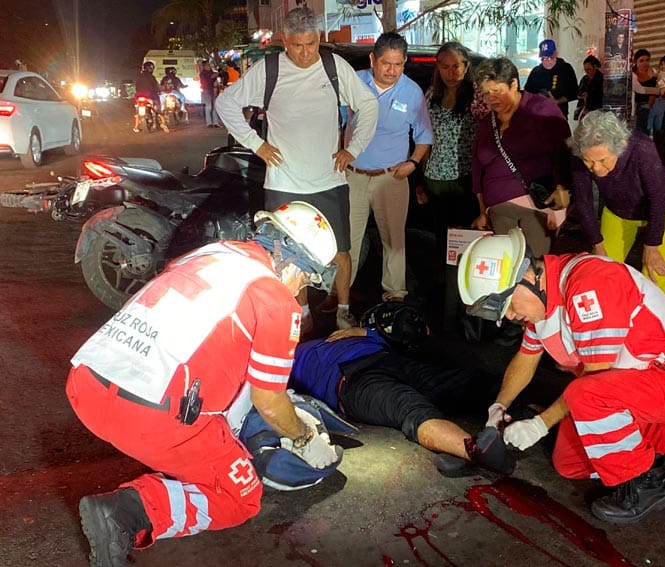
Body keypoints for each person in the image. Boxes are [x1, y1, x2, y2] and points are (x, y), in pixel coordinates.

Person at [68, 202, 344, 565]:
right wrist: (304, 438)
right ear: (290, 260)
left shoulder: (208, 253)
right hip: (144, 417)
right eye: (305, 279)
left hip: (85, 386)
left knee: (210, 426)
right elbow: (270, 402)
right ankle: (128, 511)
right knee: (240, 495)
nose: (299, 290)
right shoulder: (276, 299)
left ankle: (177, 465)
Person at [457, 229, 665, 524]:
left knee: (585, 397)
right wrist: (499, 407)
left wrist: (540, 424)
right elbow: (526, 358)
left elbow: (593, 382)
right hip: (633, 385)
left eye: (509, 306)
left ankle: (649, 480)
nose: (511, 317)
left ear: (528, 277)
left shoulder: (589, 285)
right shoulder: (545, 296)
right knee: (568, 463)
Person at [216, 6, 379, 332]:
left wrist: (353, 149)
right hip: (284, 182)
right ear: (284, 42)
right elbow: (226, 103)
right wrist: (256, 143)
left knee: (340, 251)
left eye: (311, 44)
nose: (305, 53)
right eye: (297, 46)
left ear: (319, 39)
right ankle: (301, 313)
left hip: (329, 181)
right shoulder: (269, 70)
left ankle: (343, 309)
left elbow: (369, 104)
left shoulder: (334, 66)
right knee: (289, 254)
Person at [287, 302, 510, 474]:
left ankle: (481, 448)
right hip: (371, 367)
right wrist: (366, 333)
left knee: (411, 405)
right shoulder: (336, 339)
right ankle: (500, 427)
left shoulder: (299, 352)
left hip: (361, 374)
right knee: (436, 390)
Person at [346, 32, 432, 303]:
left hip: (392, 177)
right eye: (386, 63)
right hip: (353, 176)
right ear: (373, 59)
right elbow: (335, 122)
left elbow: (424, 135)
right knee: (348, 240)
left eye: (398, 64)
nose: (392, 70)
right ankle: (338, 294)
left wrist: (413, 162)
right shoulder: (354, 83)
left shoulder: (411, 92)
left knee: (394, 241)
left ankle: (395, 296)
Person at [570, 110, 665, 296]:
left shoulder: (641, 148)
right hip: (619, 210)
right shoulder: (581, 151)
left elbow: (658, 197)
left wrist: (652, 245)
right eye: (588, 161)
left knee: (654, 272)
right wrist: (597, 244)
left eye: (602, 160)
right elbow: (583, 200)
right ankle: (612, 317)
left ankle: (653, 321)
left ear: (621, 146)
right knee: (603, 268)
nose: (596, 168)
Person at [471, 57, 571, 259]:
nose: (491, 98)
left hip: (534, 206)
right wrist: (483, 209)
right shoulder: (486, 124)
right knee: (505, 267)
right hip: (497, 208)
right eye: (486, 93)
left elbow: (565, 151)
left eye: (497, 91)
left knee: (533, 267)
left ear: (514, 84)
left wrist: (563, 188)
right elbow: (477, 166)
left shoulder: (541, 110)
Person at [424, 41, 487, 244]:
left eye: (456, 66)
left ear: (466, 67)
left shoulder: (478, 97)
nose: (451, 73)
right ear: (438, 67)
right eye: (445, 67)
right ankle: (444, 274)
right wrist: (421, 177)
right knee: (442, 235)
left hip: (467, 178)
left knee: (467, 236)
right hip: (436, 179)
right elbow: (424, 137)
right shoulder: (431, 95)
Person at [523, 39, 579, 119]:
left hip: (559, 115)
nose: (547, 61)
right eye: (544, 58)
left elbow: (574, 92)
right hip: (539, 115)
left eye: (550, 58)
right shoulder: (536, 72)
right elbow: (527, 93)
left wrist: (557, 101)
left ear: (556, 54)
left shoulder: (565, 69)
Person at [133, 61, 167, 133]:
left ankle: (136, 127)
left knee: (137, 110)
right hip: (150, 95)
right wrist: (159, 90)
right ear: (151, 69)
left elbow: (136, 86)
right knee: (158, 108)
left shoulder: (139, 76)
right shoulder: (151, 77)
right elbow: (157, 87)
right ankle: (163, 123)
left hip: (138, 95)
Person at [647, 54, 665, 135]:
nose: (662, 66)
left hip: (661, 97)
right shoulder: (660, 73)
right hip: (656, 98)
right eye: (661, 64)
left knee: (659, 126)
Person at [574, 55, 603, 121]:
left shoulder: (601, 79)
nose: (587, 72)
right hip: (584, 110)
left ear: (595, 67)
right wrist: (580, 95)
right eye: (585, 70)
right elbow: (578, 92)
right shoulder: (585, 79)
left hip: (596, 112)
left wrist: (589, 95)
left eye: (589, 69)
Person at [199, 60, 221, 127]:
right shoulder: (203, 73)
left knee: (214, 107)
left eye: (209, 65)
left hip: (213, 90)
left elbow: (216, 81)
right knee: (208, 107)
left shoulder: (212, 72)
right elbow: (207, 80)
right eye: (208, 65)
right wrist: (213, 76)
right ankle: (209, 123)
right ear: (204, 66)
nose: (209, 66)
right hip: (206, 90)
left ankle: (216, 122)